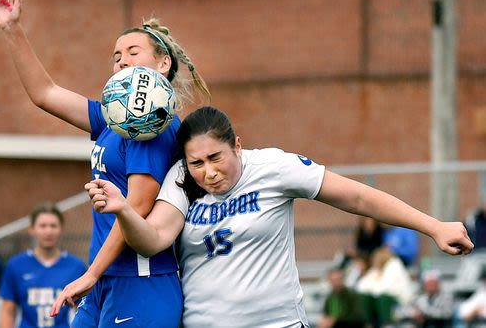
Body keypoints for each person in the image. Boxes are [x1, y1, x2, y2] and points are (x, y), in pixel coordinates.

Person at [75, 106, 473, 328]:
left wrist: (433, 225)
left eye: (216, 158)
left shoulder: (273, 168)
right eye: (197, 162)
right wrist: (125, 209)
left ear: (238, 146)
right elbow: (153, 238)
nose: (208, 171)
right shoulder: (180, 179)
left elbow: (355, 197)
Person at [0, 0, 210, 328]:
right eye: (116, 54)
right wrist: (12, 29)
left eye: (132, 51)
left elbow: (137, 206)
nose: (121, 58)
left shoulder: (150, 123)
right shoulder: (115, 119)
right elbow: (44, 93)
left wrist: (90, 274)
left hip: (139, 280)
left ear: (163, 63)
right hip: (104, 280)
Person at [0, 202, 87, 328]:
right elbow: (7, 311)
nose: (48, 231)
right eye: (43, 226)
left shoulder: (76, 266)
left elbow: (85, 310)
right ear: (32, 229)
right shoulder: (16, 265)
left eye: (53, 226)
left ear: (61, 229)